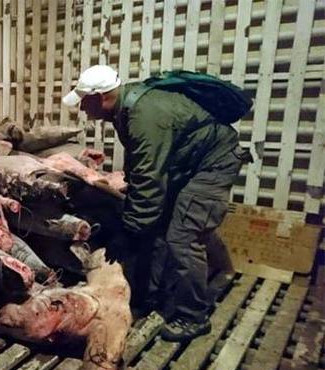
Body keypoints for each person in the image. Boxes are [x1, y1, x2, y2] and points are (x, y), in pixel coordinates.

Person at [62, 65, 246, 342]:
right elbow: (142, 168)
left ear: (100, 98)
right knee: (158, 229)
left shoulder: (143, 115)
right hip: (187, 163)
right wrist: (137, 219)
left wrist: (130, 229)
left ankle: (193, 316)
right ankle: (151, 295)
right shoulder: (127, 108)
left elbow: (149, 179)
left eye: (84, 103)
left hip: (212, 164)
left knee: (183, 237)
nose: (82, 110)